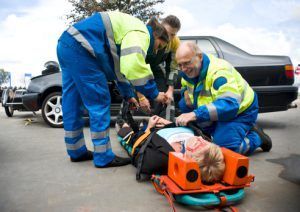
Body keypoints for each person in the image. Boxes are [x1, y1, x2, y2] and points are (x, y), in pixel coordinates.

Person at [56, 11, 169, 168]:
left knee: (72, 102)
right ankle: (103, 157)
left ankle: (76, 151)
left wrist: (129, 95)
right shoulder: (142, 33)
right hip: (83, 48)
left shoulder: (128, 30)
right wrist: (155, 94)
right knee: (99, 101)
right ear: (156, 35)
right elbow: (133, 66)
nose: (156, 51)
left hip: (67, 43)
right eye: (159, 46)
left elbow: (119, 70)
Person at [175, 42, 272, 155]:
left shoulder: (219, 72)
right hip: (217, 108)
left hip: (240, 111)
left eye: (187, 63)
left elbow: (229, 104)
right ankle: (214, 133)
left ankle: (256, 138)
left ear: (200, 57)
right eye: (180, 65)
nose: (183, 69)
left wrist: (195, 114)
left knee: (224, 151)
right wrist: (184, 92)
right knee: (183, 104)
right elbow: (184, 84)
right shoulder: (189, 71)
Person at [116, 115, 225, 183]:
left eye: (198, 143)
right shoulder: (204, 145)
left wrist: (148, 129)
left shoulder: (163, 156)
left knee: (126, 130)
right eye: (206, 141)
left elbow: (137, 151)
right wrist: (168, 123)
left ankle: (126, 124)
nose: (201, 138)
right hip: (164, 126)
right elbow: (194, 130)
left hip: (147, 135)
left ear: (190, 155)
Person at [136, 15, 181, 118]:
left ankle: (162, 120)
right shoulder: (146, 36)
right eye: (167, 32)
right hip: (139, 66)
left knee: (165, 93)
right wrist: (141, 96)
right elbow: (134, 69)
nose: (169, 38)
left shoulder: (175, 42)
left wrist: (170, 90)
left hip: (155, 67)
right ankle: (123, 120)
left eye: (173, 35)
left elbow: (173, 68)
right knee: (133, 91)